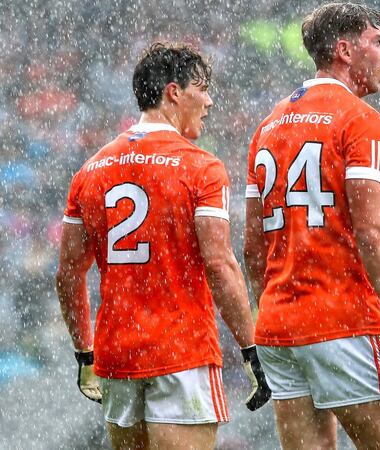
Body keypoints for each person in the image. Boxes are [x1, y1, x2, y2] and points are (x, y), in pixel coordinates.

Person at [55, 42, 271, 450]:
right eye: (202, 88)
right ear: (174, 92)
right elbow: (220, 266)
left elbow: (68, 274)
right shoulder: (201, 167)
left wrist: (84, 351)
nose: (208, 100)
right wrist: (250, 346)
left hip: (118, 356)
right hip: (181, 353)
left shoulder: (90, 170)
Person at [243, 3, 380, 449]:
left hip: (278, 327)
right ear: (344, 50)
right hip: (342, 321)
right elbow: (373, 232)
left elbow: (251, 248)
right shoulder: (360, 120)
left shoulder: (268, 125)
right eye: (378, 41)